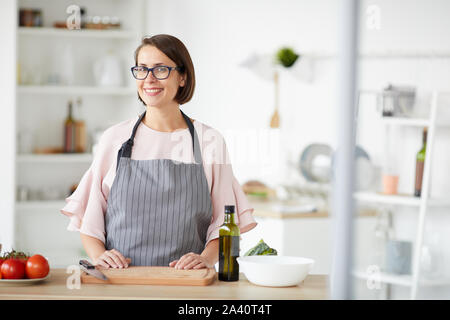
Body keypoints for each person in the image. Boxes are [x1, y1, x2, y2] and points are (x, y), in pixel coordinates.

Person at [60, 34, 257, 270]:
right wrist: (99, 255)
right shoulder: (114, 138)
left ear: (182, 77)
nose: (149, 79)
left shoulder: (210, 141)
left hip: (187, 284)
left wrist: (206, 259)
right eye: (142, 70)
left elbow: (226, 225)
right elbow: (90, 218)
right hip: (121, 283)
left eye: (161, 69)